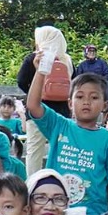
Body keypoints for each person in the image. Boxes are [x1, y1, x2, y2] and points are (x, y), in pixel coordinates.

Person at [28, 62, 108, 215]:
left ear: (105, 105)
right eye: (80, 96)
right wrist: (40, 71)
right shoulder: (59, 125)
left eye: (94, 97)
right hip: (56, 214)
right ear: (70, 103)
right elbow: (33, 105)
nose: (86, 102)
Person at [17, 26, 74, 174]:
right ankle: (60, 180)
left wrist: (34, 93)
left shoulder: (34, 58)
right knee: (61, 149)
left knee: (34, 151)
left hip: (37, 110)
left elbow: (21, 81)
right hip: (62, 112)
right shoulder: (66, 60)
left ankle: (32, 183)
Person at [74, 44, 108, 112]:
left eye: (93, 51)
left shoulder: (102, 63)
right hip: (86, 86)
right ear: (86, 53)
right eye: (90, 51)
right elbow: (78, 78)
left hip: (102, 85)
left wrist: (99, 82)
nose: (92, 53)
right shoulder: (82, 65)